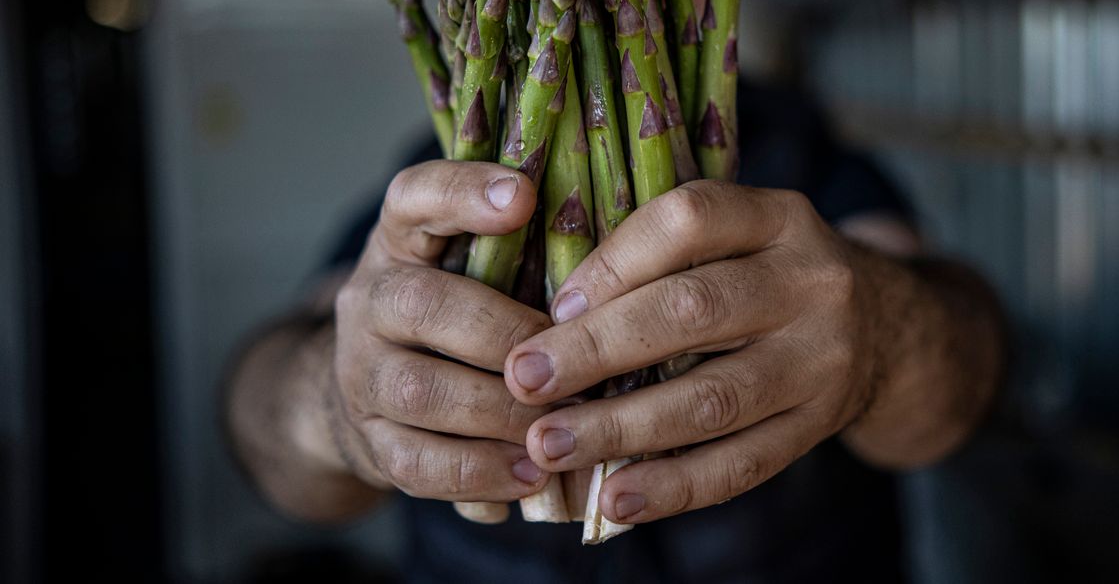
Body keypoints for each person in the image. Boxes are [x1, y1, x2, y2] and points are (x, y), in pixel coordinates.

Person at [225, 79, 1005, 582]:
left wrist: (879, 335)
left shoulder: (796, 143)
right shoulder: (448, 159)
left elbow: (967, 375)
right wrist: (332, 399)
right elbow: (270, 427)